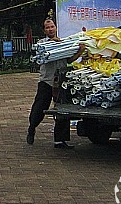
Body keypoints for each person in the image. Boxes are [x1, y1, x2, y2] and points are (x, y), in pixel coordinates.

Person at [27, 18, 83, 149]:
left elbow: (69, 60)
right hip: (46, 81)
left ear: (56, 28)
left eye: (52, 27)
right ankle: (32, 127)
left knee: (62, 109)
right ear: (44, 31)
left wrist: (80, 51)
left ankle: (60, 140)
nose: (50, 29)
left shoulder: (64, 43)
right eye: (47, 28)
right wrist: (53, 44)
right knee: (40, 107)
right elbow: (40, 57)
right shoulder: (42, 44)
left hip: (61, 81)